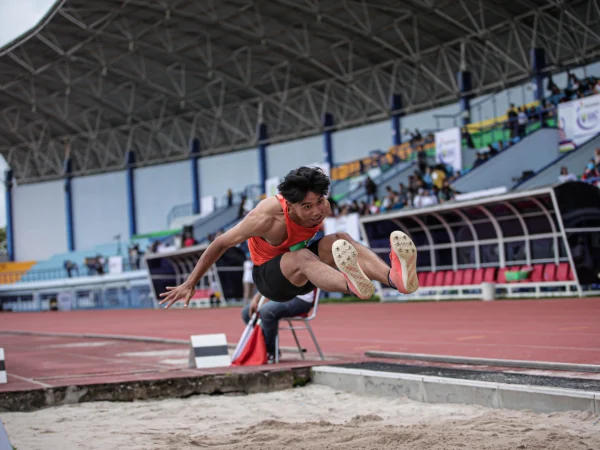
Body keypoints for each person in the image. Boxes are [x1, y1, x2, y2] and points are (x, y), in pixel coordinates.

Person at [159, 166, 418, 309]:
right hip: (270, 280)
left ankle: (394, 279)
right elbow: (220, 243)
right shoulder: (265, 217)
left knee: (341, 239)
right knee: (302, 256)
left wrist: (335, 254)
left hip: (304, 273)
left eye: (319, 202)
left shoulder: (323, 206)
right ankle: (351, 284)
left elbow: (317, 244)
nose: (317, 211)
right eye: (308, 207)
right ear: (290, 206)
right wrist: (191, 282)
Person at [242, 290, 315, 363]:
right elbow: (268, 285)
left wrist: (267, 299)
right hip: (280, 296)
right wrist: (256, 298)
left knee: (266, 310)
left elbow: (281, 284)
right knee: (246, 312)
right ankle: (261, 348)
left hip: (300, 299)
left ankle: (269, 351)